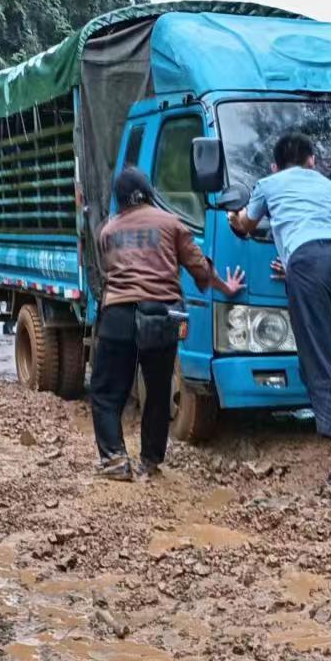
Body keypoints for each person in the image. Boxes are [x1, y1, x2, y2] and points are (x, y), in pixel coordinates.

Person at [230, 132, 331, 484]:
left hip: (307, 262)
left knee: (318, 358)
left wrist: (235, 218)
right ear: (312, 161)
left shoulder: (268, 184)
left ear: (275, 166)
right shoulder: (329, 186)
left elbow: (246, 224)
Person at [89, 168, 245, 480]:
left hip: (118, 315)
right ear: (148, 192)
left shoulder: (107, 230)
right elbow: (199, 267)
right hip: (160, 315)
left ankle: (115, 459)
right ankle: (150, 461)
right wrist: (225, 287)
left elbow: (108, 272)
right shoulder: (171, 223)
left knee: (106, 391)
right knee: (158, 391)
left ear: (121, 199)